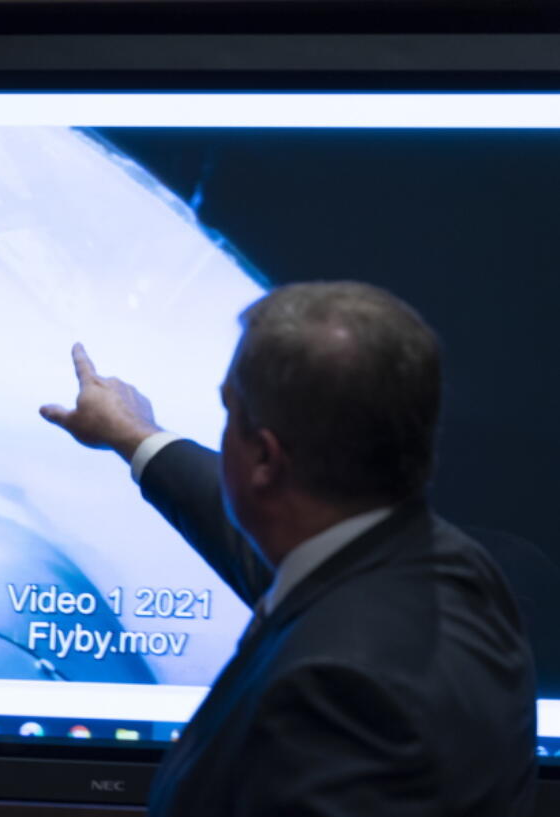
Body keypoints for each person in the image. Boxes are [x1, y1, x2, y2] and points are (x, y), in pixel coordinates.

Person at [39, 281, 536, 815]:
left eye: (228, 413)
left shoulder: (330, 700)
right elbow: (289, 573)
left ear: (266, 460)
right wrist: (135, 434)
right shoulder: (457, 571)